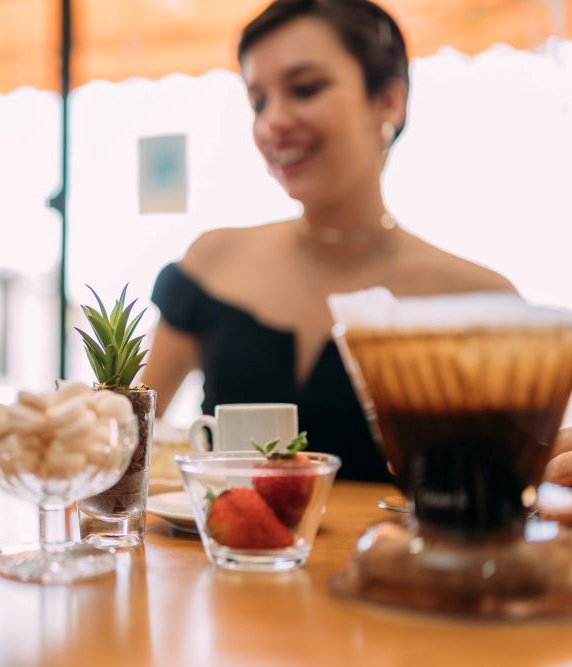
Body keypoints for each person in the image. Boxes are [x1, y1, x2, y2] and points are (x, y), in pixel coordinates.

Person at [140, 0, 515, 481]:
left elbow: (505, 487)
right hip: (228, 556)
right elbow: (128, 443)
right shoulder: (211, 263)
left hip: (389, 557)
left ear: (388, 101)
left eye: (305, 88)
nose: (271, 122)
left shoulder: (482, 302)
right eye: (258, 101)